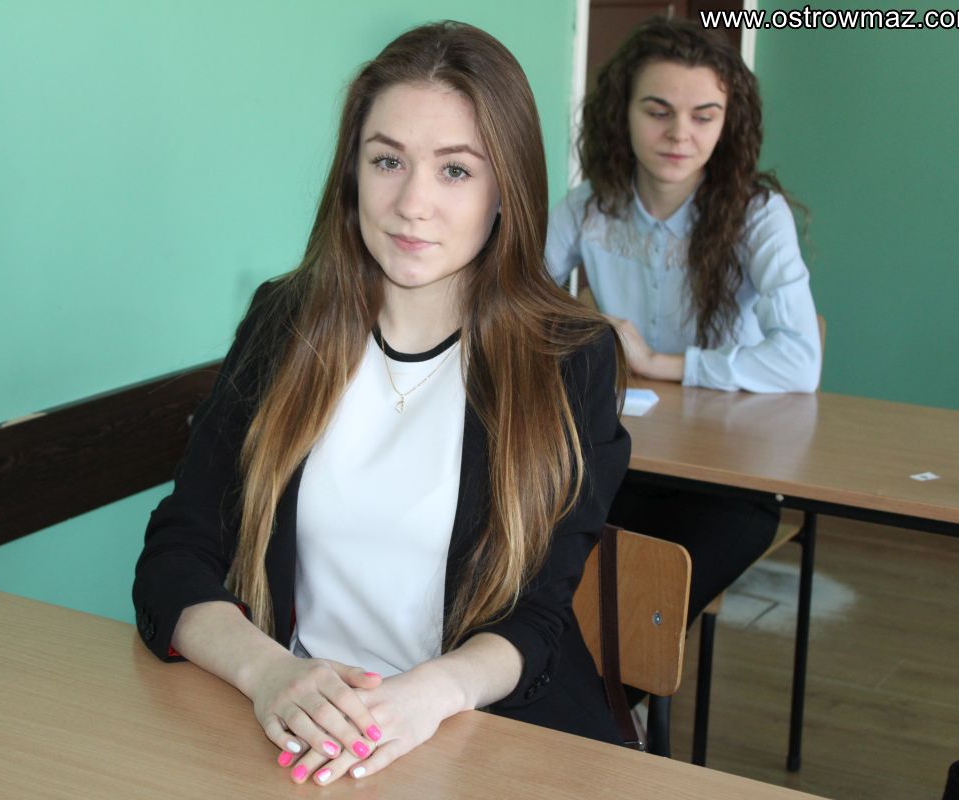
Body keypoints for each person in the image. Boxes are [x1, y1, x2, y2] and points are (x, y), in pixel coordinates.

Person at [134, 21, 631, 788]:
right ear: (353, 174)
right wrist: (270, 674)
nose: (412, 203)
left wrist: (425, 697)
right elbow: (177, 556)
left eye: (455, 170)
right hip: (299, 734)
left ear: (506, 189)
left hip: (483, 736)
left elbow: (537, 615)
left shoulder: (569, 359)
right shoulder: (284, 324)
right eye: (387, 161)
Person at [546, 17, 822, 627]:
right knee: (547, 578)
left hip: (728, 477)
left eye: (704, 115)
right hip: (614, 456)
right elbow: (516, 299)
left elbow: (800, 362)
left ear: (729, 122)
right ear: (622, 112)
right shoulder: (588, 205)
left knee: (638, 614)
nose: (679, 134)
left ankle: (607, 686)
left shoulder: (758, 215)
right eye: (658, 111)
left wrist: (657, 363)